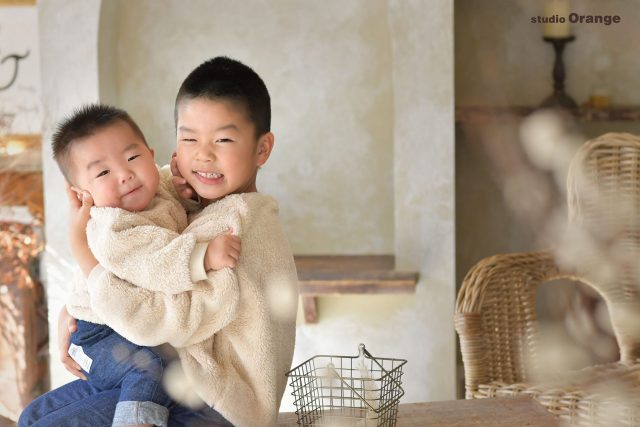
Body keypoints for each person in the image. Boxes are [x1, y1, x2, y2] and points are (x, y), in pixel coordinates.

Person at [20, 56, 299, 427]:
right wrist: (78, 305)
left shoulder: (232, 227)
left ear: (261, 149)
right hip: (178, 374)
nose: (203, 154)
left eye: (223, 139)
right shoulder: (193, 202)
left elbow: (155, 322)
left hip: (217, 403)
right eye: (189, 139)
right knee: (34, 414)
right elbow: (145, 239)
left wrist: (85, 261)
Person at [19, 104, 241, 427]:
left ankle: (33, 417)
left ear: (151, 156)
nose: (124, 174)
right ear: (82, 195)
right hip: (101, 332)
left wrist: (181, 189)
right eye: (103, 173)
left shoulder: (153, 191)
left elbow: (162, 182)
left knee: (41, 415)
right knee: (151, 366)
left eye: (133, 158)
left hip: (118, 326)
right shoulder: (112, 228)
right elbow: (154, 261)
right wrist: (202, 256)